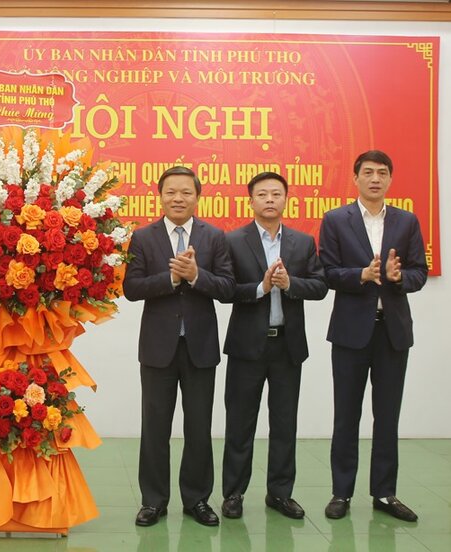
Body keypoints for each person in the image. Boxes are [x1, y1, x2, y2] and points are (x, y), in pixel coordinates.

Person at [319, 150, 427, 522]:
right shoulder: (335, 220)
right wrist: (360, 276)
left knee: (387, 416)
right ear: (356, 178)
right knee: (346, 415)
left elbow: (419, 272)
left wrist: (399, 278)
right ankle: (341, 493)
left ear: (390, 179)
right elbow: (327, 272)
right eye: (368, 172)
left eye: (382, 172)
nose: (375, 178)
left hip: (392, 333)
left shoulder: (406, 221)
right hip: (350, 332)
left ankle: (384, 493)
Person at [123, 166, 235, 527]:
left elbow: (228, 288)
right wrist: (172, 278)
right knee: (154, 427)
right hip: (158, 348)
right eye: (171, 192)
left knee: (199, 427)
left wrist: (197, 277)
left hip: (200, 347)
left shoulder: (215, 237)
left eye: (186, 192)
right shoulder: (143, 237)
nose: (178, 198)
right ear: (160, 196)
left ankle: (197, 499)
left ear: (197, 197)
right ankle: (153, 501)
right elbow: (132, 288)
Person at [220, 171, 327, 520]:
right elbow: (225, 291)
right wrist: (262, 287)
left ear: (285, 200)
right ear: (250, 201)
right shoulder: (233, 241)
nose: (269, 199)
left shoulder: (302, 242)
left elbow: (320, 286)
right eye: (262, 194)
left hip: (287, 347)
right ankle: (233, 493)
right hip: (246, 347)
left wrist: (290, 282)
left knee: (284, 423)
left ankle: (280, 494)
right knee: (240, 423)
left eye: (276, 194)